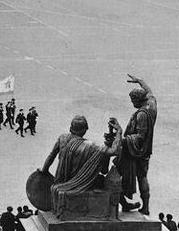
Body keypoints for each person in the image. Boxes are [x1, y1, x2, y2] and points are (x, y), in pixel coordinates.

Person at [40, 115, 122, 210]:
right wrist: (119, 131)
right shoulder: (91, 146)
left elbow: (51, 157)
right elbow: (115, 151)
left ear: (71, 128)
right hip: (79, 183)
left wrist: (44, 171)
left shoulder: (62, 138)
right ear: (85, 130)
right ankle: (123, 205)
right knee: (106, 181)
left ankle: (125, 205)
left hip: (61, 181)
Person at [117, 74, 157, 215]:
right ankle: (144, 207)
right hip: (145, 152)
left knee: (118, 173)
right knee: (143, 177)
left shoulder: (141, 115)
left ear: (137, 100)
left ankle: (138, 205)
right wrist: (140, 81)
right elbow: (150, 91)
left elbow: (140, 137)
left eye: (132, 100)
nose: (132, 103)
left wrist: (121, 139)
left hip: (135, 152)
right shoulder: (151, 105)